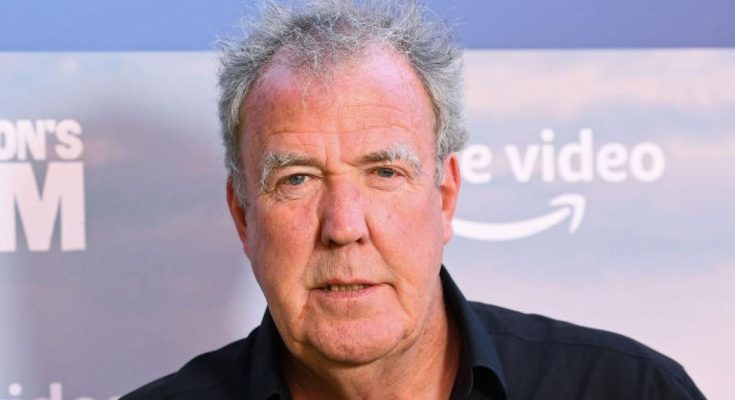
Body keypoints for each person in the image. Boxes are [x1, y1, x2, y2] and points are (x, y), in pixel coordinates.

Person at [122, 1, 704, 399]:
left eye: (384, 171)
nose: (343, 226)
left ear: (444, 198)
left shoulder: (630, 389)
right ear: (243, 217)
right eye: (297, 179)